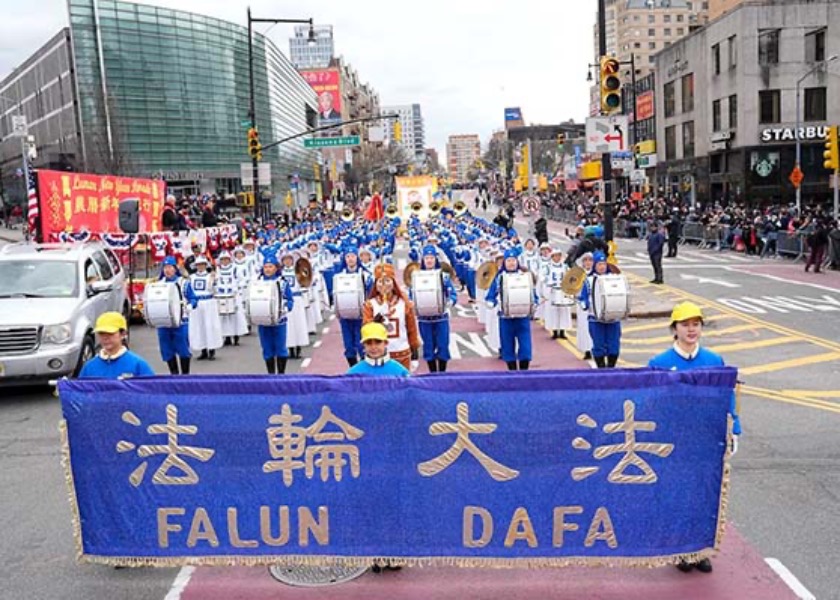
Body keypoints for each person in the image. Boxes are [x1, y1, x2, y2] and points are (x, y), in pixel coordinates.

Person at [648, 301, 742, 575]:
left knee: (704, 494)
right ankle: (680, 550)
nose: (691, 330)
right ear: (674, 329)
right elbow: (652, 403)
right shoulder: (659, 363)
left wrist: (733, 428)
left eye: (696, 324)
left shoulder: (714, 361)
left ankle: (701, 550)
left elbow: (728, 396)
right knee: (678, 494)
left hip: (706, 438)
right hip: (675, 441)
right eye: (685, 325)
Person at [486, 249, 538, 371]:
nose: (511, 263)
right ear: (504, 262)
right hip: (505, 317)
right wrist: (491, 302)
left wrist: (534, 303)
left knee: (525, 345)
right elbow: (490, 295)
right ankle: (512, 372)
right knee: (507, 345)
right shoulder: (499, 277)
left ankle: (524, 371)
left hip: (522, 317)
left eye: (513, 260)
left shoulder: (525, 276)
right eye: (508, 261)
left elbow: (533, 294)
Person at [363, 263, 420, 371]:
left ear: (393, 283)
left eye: (387, 281)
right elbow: (366, 328)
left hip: (402, 353)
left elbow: (411, 328)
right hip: (379, 355)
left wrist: (415, 353)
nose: (384, 285)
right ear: (376, 284)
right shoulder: (370, 305)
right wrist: (377, 319)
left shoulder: (404, 303)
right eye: (380, 281)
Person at [413, 245, 458, 373]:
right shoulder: (416, 277)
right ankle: (432, 373)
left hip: (441, 317)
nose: (429, 261)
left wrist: (449, 302)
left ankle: (442, 373)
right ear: (423, 260)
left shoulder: (443, 276)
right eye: (426, 258)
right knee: (428, 346)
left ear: (435, 259)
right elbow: (413, 295)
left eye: (431, 258)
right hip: (424, 318)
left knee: (443, 345)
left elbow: (453, 294)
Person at [579, 251, 622, 369]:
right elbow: (583, 297)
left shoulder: (614, 279)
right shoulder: (589, 280)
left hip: (612, 318)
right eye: (599, 264)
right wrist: (584, 304)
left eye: (604, 264)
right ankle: (601, 368)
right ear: (595, 266)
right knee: (598, 345)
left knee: (614, 345)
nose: (602, 267)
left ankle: (611, 367)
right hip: (595, 318)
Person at [79, 312, 155, 378]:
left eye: (110, 333)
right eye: (101, 333)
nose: (105, 338)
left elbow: (153, 391)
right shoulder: (89, 367)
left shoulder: (137, 365)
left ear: (123, 334)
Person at [335, 245, 373, 366]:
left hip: (361, 316)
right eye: (347, 256)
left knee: (361, 343)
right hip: (345, 316)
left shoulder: (365, 274)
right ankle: (353, 369)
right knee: (349, 346)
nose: (350, 259)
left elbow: (371, 293)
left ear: (357, 258)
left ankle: (363, 369)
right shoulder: (339, 275)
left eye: (352, 256)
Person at [256, 256, 295, 374]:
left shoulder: (282, 282)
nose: (267, 269)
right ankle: (271, 375)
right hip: (263, 320)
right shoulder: (257, 283)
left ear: (276, 268)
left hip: (279, 320)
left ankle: (281, 375)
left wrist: (285, 307)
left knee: (281, 347)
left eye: (270, 267)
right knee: (267, 348)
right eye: (265, 267)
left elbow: (290, 300)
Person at [156, 256, 194, 375]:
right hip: (163, 322)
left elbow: (193, 298)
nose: (167, 270)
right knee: (167, 349)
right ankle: (173, 375)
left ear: (175, 268)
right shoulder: (158, 285)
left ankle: (185, 376)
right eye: (165, 267)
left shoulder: (184, 283)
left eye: (170, 267)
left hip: (181, 321)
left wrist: (190, 306)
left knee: (183, 348)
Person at [188, 256, 223, 361]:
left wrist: (213, 281)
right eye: (198, 265)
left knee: (210, 325)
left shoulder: (210, 277)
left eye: (202, 264)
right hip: (197, 303)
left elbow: (215, 290)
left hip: (208, 302)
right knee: (199, 326)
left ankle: (211, 349)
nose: (200, 267)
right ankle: (202, 349)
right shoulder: (192, 277)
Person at [346, 322, 410, 376]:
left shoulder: (400, 372)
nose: (373, 347)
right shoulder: (353, 373)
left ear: (385, 343)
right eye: (369, 343)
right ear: (363, 345)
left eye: (378, 342)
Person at [215, 251, 248, 346]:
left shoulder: (235, 269)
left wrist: (237, 288)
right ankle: (227, 336)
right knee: (224, 317)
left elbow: (242, 280)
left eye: (226, 259)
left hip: (233, 295)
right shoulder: (218, 269)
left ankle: (236, 335)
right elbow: (216, 281)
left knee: (235, 316)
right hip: (222, 296)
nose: (224, 261)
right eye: (222, 260)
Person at [542, 248, 572, 340]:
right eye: (555, 256)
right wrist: (550, 284)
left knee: (564, 311)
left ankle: (562, 331)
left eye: (559, 255)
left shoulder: (565, 267)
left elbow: (570, 277)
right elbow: (543, 277)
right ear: (552, 257)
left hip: (563, 291)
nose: (557, 257)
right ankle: (555, 331)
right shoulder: (548, 267)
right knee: (553, 311)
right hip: (553, 291)